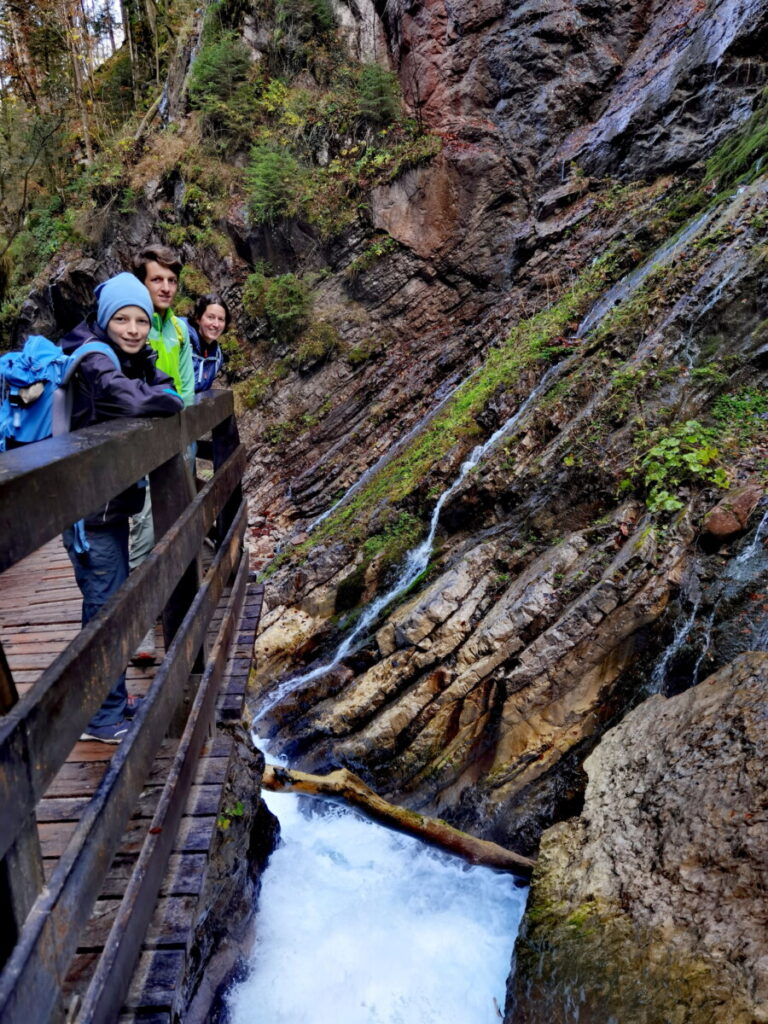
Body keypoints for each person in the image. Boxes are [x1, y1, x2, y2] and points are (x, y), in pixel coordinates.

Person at [62, 272, 184, 743]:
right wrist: (163, 399)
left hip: (108, 508)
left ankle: (109, 700)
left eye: (141, 320)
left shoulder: (129, 356)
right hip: (88, 512)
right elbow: (130, 399)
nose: (133, 329)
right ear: (104, 319)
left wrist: (163, 391)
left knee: (108, 606)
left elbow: (164, 384)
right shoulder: (96, 359)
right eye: (122, 319)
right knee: (104, 611)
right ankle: (100, 718)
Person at [129, 246, 195, 661]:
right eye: (158, 279)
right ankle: (139, 632)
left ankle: (178, 616)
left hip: (178, 443)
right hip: (141, 448)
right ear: (142, 282)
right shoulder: (133, 325)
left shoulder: (180, 330)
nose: (166, 287)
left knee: (176, 528)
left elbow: (186, 388)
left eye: (172, 280)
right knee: (142, 535)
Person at [187, 294, 229, 392]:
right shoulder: (180, 341)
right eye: (210, 317)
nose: (216, 324)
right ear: (198, 318)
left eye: (221, 319)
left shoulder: (217, 356)